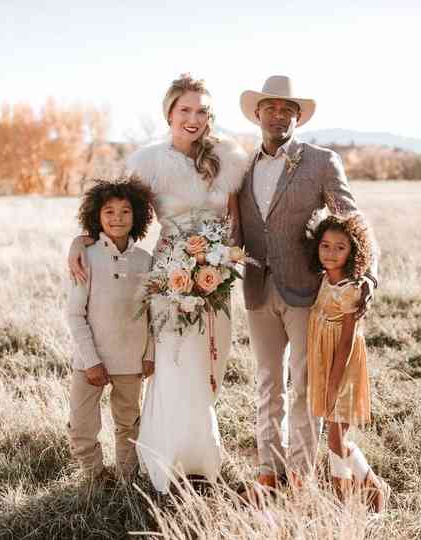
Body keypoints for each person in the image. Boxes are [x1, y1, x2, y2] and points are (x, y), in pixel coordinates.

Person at [68, 74, 249, 494]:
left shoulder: (228, 158)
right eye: (184, 109)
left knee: (210, 363)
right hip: (171, 274)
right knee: (173, 364)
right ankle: (164, 456)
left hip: (216, 274)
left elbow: (237, 221)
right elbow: (116, 210)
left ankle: (203, 452)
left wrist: (226, 261)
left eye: (201, 110)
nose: (193, 118)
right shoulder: (148, 162)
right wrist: (82, 239)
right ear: (169, 112)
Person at [233, 75, 379, 493]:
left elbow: (353, 221)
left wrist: (366, 275)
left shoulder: (320, 161)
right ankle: (268, 468)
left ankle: (299, 473)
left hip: (305, 293)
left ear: (297, 117)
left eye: (287, 110)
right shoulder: (241, 167)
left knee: (303, 384)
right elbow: (235, 225)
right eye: (271, 108)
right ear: (257, 114)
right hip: (257, 290)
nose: (278, 115)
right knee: (267, 381)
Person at [65, 179, 155, 480]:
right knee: (81, 423)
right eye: (109, 212)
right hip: (91, 359)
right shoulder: (86, 258)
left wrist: (150, 353)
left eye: (125, 212)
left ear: (137, 216)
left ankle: (128, 476)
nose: (117, 218)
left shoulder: (145, 260)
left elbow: (153, 314)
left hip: (131, 359)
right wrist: (91, 360)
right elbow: (75, 314)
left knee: (128, 421)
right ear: (96, 217)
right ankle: (95, 476)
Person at [305, 208, 389, 512]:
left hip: (342, 367)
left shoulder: (352, 289)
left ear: (353, 251)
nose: (330, 253)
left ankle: (371, 486)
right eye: (325, 246)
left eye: (340, 248)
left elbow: (346, 343)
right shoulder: (323, 280)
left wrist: (332, 384)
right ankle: (347, 497)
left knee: (336, 440)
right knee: (336, 438)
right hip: (323, 362)